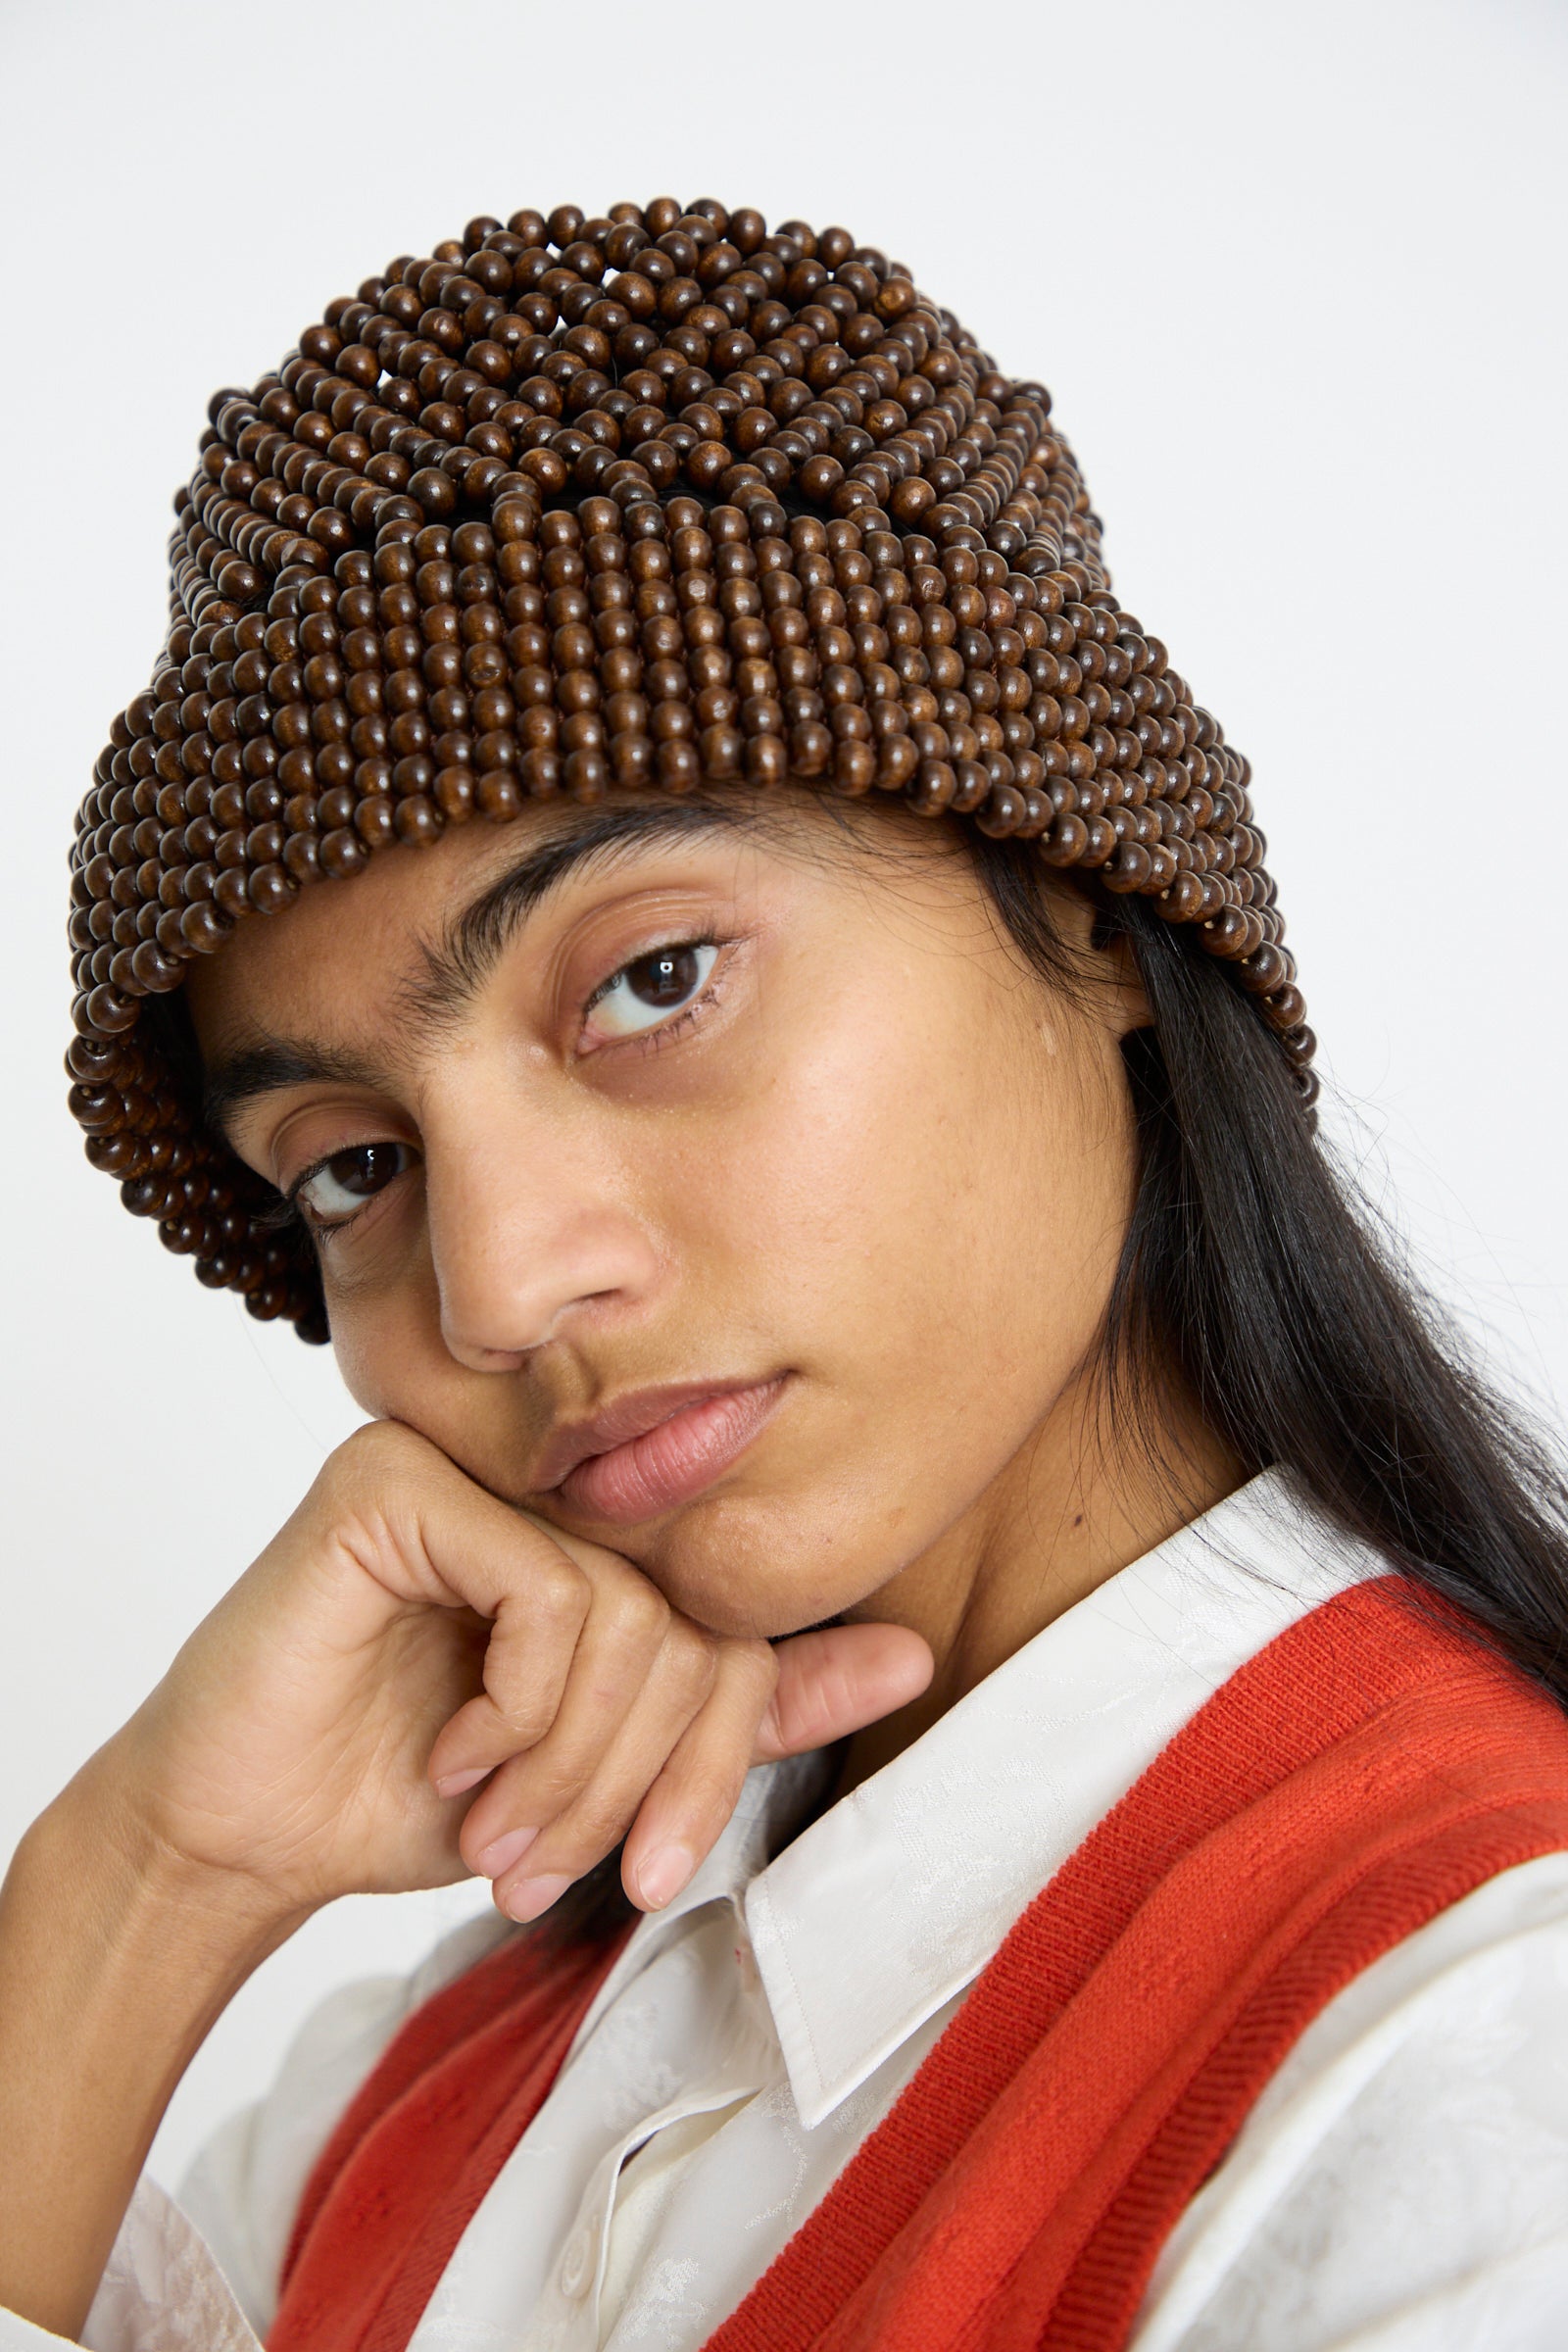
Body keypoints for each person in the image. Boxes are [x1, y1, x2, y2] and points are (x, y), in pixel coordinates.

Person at [5, 196, 1568, 2352]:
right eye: (356, 1163)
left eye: (652, 978)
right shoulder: (380, 2095)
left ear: (1090, 907)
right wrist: (142, 1880)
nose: (500, 1288)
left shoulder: (1473, 2060)